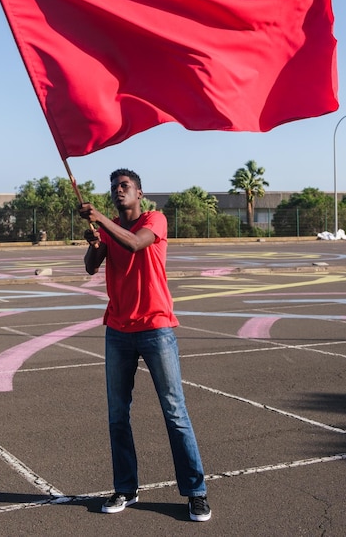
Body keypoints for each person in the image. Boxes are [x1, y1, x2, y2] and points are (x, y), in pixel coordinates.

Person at [79, 168, 211, 522]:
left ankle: (196, 492)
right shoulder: (110, 231)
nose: (118, 190)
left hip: (156, 327)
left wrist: (101, 220)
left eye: (125, 187)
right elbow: (92, 267)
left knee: (175, 412)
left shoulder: (155, 219)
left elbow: (136, 243)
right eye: (114, 187)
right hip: (118, 330)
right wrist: (94, 243)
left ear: (140, 194)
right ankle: (125, 487)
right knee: (117, 415)